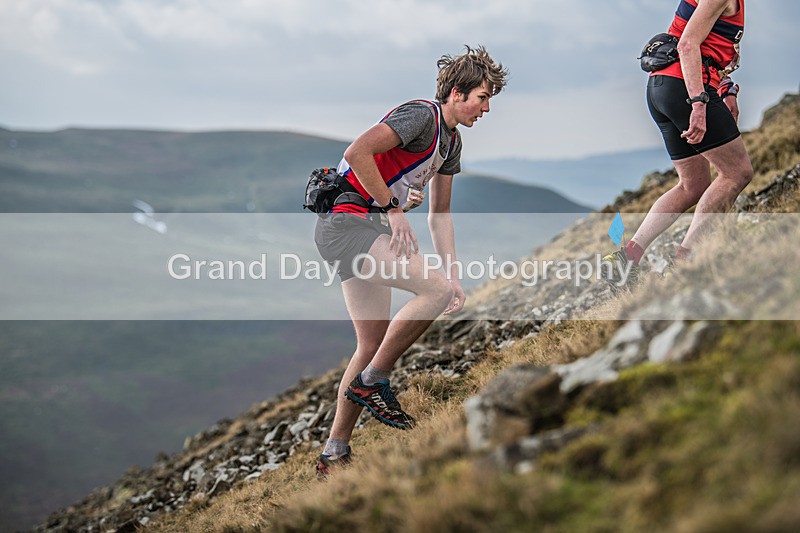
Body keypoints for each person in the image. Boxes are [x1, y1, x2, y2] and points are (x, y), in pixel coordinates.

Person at [313, 45, 508, 478]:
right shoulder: (422, 115)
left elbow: (441, 216)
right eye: (482, 96)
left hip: (366, 230)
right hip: (347, 226)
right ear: (456, 93)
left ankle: (334, 452)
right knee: (430, 292)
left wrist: (454, 274)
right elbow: (357, 152)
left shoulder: (451, 142)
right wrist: (393, 209)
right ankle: (374, 381)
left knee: (370, 341)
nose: (487, 107)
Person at [604, 0, 753, 281]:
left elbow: (708, 49)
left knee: (693, 184)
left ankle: (627, 258)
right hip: (684, 89)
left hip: (661, 87)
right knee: (737, 173)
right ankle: (686, 264)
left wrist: (726, 88)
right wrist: (698, 104)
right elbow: (687, 46)